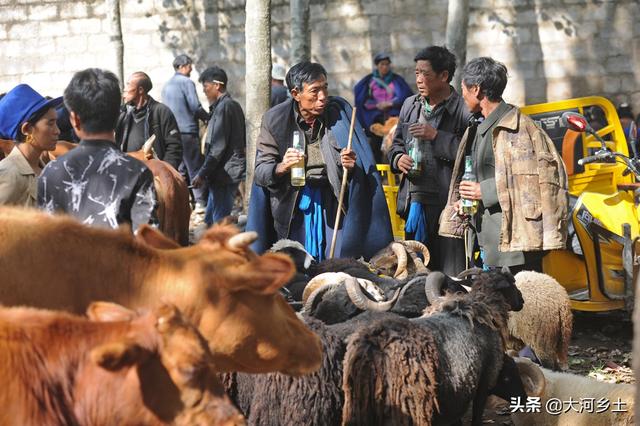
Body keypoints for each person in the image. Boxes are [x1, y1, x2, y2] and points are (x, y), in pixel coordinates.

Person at [247, 61, 393, 260]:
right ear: (295, 93)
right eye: (314, 91)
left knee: (336, 263)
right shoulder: (275, 120)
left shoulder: (339, 113)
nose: (322, 97)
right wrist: (281, 167)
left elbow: (361, 165)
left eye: (325, 88)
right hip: (293, 204)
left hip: (333, 201)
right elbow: (262, 171)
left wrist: (349, 166)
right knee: (298, 264)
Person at [439, 57, 568, 274]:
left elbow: (534, 183)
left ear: (476, 89)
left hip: (515, 246)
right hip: (488, 241)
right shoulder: (478, 127)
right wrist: (466, 202)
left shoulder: (517, 129)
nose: (462, 96)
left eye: (463, 90)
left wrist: (484, 190)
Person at [386, 46, 471, 276]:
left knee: (449, 273)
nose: (419, 79)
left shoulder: (462, 109)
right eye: (416, 73)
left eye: (425, 74)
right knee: (416, 270)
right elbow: (396, 144)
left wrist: (436, 136)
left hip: (448, 204)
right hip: (414, 201)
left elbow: (471, 154)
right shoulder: (410, 105)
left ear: (444, 76)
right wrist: (398, 159)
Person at [38, 68, 158, 231]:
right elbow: (148, 242)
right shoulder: (137, 172)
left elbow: (45, 240)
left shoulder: (51, 172)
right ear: (117, 116)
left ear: (75, 120)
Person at [191, 66, 246, 226]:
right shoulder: (222, 107)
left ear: (217, 85)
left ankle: (221, 250)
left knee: (219, 222)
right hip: (219, 174)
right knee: (210, 221)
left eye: (206, 87)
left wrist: (202, 173)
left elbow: (218, 147)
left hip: (225, 173)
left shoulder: (226, 107)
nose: (204, 91)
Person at [0, 84, 61, 206]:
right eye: (50, 124)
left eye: (56, 123)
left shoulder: (45, 168)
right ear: (27, 129)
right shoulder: (9, 175)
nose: (57, 131)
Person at [161, 54, 210, 209]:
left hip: (172, 134)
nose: (191, 69)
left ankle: (184, 201)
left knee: (180, 169)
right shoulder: (187, 82)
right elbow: (195, 106)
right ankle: (201, 202)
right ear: (182, 66)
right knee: (195, 166)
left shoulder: (166, 86)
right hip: (188, 132)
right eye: (189, 66)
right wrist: (208, 117)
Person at [115, 71, 183, 170]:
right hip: (127, 173)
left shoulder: (161, 111)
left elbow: (174, 147)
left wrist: (164, 171)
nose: (125, 89)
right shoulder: (122, 113)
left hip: (153, 174)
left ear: (140, 90)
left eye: (128, 84)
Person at [354, 52, 413, 163]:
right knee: (375, 145)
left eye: (387, 64)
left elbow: (404, 96)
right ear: (377, 65)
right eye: (382, 64)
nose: (385, 67)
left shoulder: (396, 80)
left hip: (393, 117)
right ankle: (379, 174)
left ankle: (396, 168)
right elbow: (362, 100)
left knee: (395, 143)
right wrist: (376, 105)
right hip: (376, 118)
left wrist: (391, 103)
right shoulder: (370, 81)